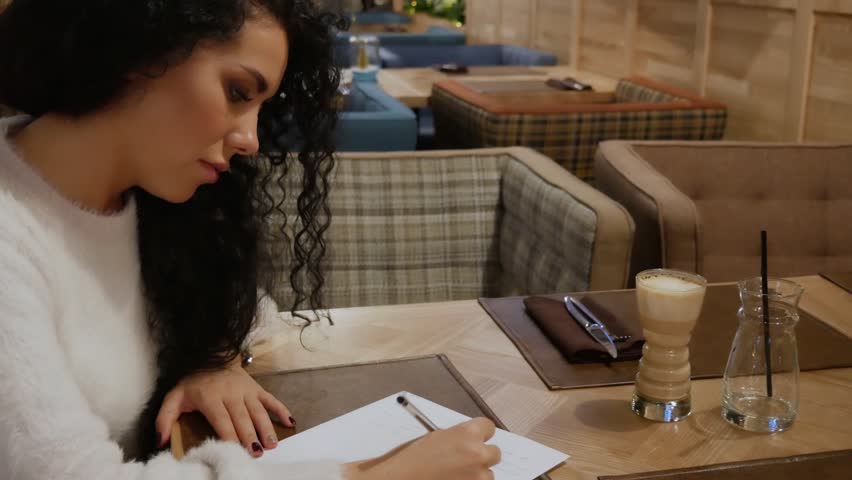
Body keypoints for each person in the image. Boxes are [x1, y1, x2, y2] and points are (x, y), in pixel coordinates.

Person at [0, 1, 500, 479]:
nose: (250, 140)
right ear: (138, 46)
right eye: (238, 92)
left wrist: (211, 358)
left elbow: (252, 313)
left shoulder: (141, 200)